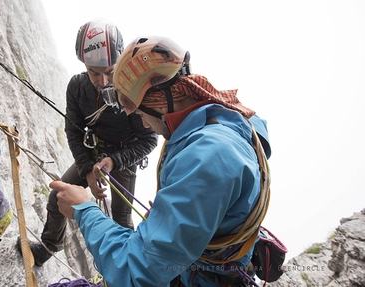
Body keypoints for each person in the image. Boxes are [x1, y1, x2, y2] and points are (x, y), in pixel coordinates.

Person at [53, 36, 272, 286]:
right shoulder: (223, 119)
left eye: (142, 114)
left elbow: (135, 271)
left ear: (161, 99)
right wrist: (176, 206)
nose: (145, 123)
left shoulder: (208, 157)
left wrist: (84, 210)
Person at [22, 19, 158, 267]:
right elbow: (73, 130)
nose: (104, 81)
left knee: (121, 220)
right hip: (94, 154)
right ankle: (46, 249)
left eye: (110, 71)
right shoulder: (77, 87)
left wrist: (115, 161)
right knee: (57, 197)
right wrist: (87, 171)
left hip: (122, 158)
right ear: (84, 65)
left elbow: (149, 139)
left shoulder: (130, 90)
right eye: (94, 73)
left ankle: (124, 271)